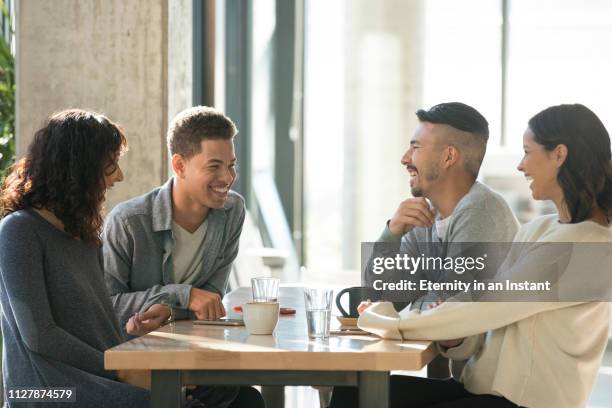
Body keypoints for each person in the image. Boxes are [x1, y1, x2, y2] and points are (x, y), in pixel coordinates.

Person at [333, 104, 612, 408]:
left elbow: (488, 303)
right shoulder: (542, 228)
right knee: (353, 392)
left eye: (527, 152)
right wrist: (455, 334)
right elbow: (484, 312)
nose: (520, 166)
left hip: (522, 403)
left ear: (559, 154)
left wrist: (387, 321)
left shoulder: (589, 247)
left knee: (363, 397)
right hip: (481, 390)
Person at [102, 106, 263, 407]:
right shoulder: (129, 222)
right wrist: (184, 295)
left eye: (231, 165)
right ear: (179, 165)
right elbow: (107, 306)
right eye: (214, 166)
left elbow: (212, 296)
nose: (227, 177)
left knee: (247, 398)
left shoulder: (232, 212)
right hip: (137, 371)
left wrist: (173, 310)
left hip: (196, 359)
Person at [0, 110, 154, 407]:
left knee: (233, 395)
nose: (119, 176)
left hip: (96, 378)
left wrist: (130, 331)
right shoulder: (18, 231)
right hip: (40, 392)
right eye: (110, 165)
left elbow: (93, 332)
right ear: (80, 168)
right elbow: (41, 336)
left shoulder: (85, 238)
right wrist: (121, 369)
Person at [365, 102, 519, 377]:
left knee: (354, 397)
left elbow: (451, 318)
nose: (404, 158)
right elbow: (385, 296)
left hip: (491, 393)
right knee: (352, 393)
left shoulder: (481, 212)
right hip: (462, 384)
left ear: (449, 157)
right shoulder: (424, 218)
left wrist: (411, 309)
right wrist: (392, 233)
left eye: (416, 147)